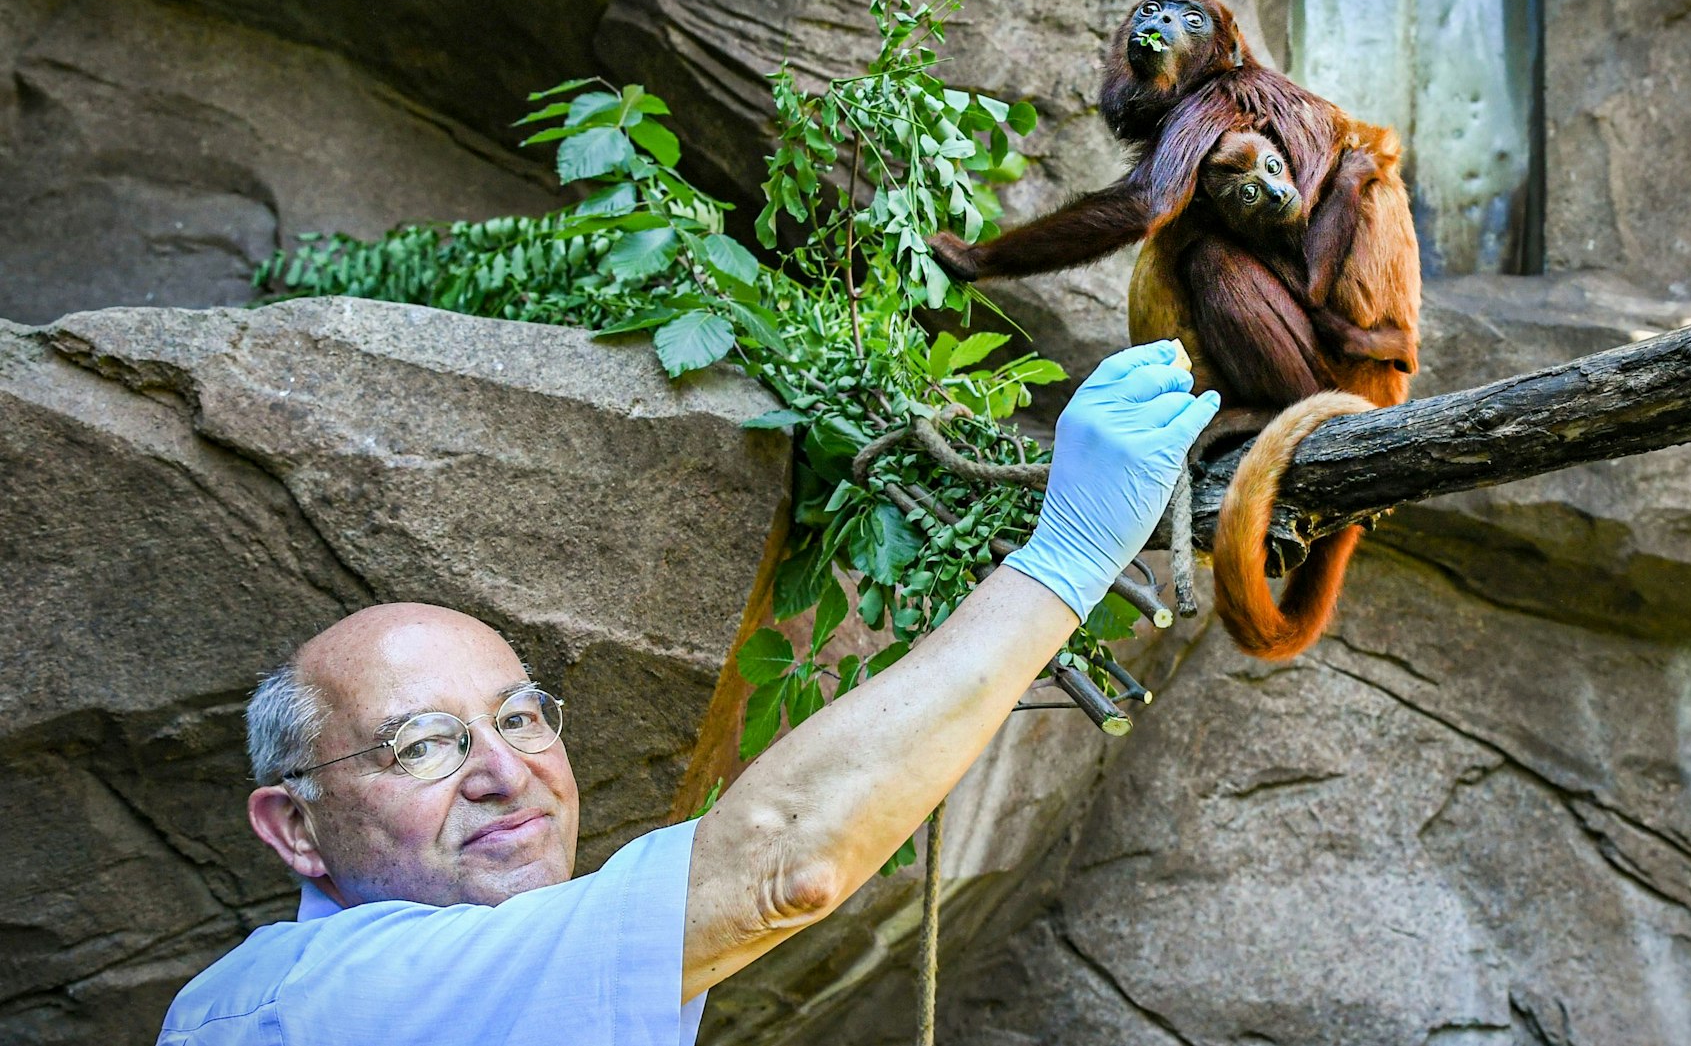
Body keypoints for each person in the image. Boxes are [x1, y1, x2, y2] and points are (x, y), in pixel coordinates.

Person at [158, 342, 1220, 1045]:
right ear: (294, 825)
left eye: (521, 717)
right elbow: (781, 866)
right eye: (423, 745)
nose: (504, 772)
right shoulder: (336, 1003)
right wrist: (1070, 554)